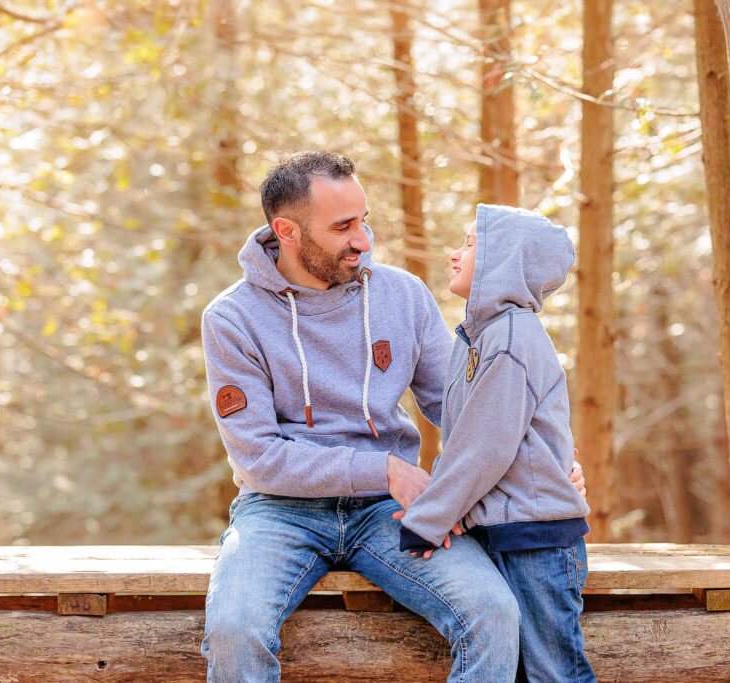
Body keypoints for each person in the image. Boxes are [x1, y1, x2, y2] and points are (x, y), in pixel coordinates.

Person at [199, 151, 585, 682]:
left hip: (390, 512)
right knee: (234, 628)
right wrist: (383, 469)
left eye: (364, 220)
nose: (363, 239)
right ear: (286, 231)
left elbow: (468, 407)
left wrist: (544, 464)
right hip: (278, 512)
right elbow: (260, 457)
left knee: (494, 613)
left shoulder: (402, 294)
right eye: (343, 226)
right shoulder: (232, 318)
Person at [394, 204, 595, 683]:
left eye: (468, 244)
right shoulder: (479, 336)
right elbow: (474, 435)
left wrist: (428, 520)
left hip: (537, 541)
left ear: (503, 259)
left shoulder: (510, 338)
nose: (453, 253)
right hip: (508, 532)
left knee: (554, 673)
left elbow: (482, 448)